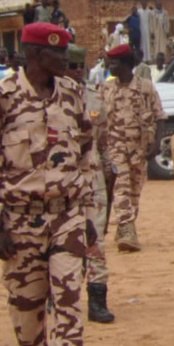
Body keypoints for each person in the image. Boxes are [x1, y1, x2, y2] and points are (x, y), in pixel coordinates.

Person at [0, 22, 95, 346]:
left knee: (69, 301)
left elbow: (86, 153)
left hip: (67, 216)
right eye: (59, 55)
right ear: (36, 57)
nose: (67, 61)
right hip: (19, 221)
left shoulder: (74, 94)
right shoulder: (0, 99)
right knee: (26, 310)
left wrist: (89, 214)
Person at [65, 45, 116, 324]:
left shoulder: (96, 98)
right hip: (60, 183)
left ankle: (98, 298)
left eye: (78, 66)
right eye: (69, 66)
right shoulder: (47, 99)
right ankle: (58, 299)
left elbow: (104, 143)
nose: (75, 72)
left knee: (96, 241)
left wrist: (110, 174)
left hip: (93, 181)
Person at [101, 44, 166, 252]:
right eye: (109, 63)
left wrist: (156, 145)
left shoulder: (145, 87)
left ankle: (126, 227)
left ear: (127, 64)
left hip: (139, 148)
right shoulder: (106, 88)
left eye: (114, 63)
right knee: (121, 186)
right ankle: (126, 228)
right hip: (115, 148)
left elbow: (160, 116)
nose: (110, 67)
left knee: (135, 190)